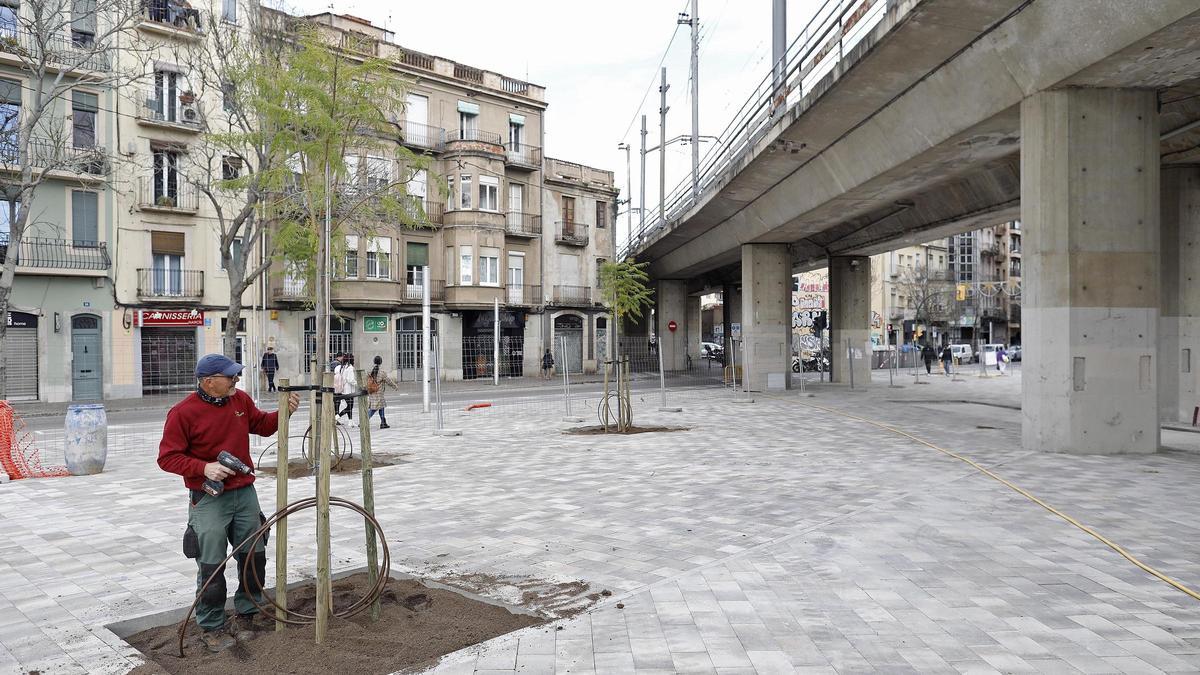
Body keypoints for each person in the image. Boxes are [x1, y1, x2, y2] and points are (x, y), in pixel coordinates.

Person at [157, 354, 300, 653]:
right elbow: (167, 458)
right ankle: (211, 625)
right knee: (211, 564)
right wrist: (203, 468)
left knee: (254, 555)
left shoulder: (240, 401)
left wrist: (283, 412)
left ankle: (248, 614)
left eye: (236, 375)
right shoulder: (183, 413)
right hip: (209, 498)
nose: (236, 380)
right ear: (209, 382)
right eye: (230, 376)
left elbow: (262, 425)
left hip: (244, 494)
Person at [366, 355, 398, 429]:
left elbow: (367, 381)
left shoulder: (369, 372)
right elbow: (388, 381)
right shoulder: (382, 373)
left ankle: (383, 422)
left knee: (381, 407)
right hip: (379, 393)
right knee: (373, 409)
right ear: (381, 362)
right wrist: (395, 386)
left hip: (371, 392)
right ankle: (364, 421)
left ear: (374, 361)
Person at [336, 354, 358, 424]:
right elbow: (350, 379)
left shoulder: (343, 367)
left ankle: (350, 421)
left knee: (349, 406)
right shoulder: (350, 367)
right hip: (349, 390)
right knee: (349, 407)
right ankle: (336, 417)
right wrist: (357, 383)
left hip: (344, 389)